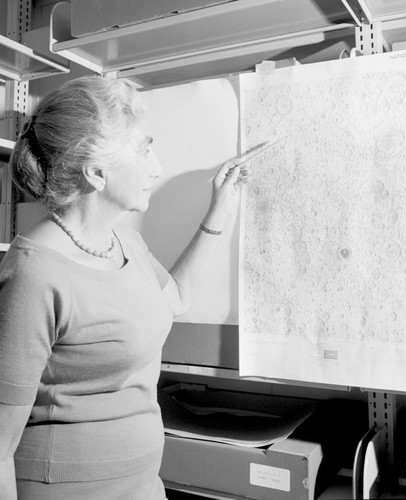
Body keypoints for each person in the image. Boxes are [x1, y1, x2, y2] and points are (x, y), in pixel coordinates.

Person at [0, 75, 248, 500]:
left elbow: (177, 298)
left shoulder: (123, 242)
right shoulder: (33, 275)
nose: (157, 166)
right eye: (143, 148)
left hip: (143, 486)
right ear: (97, 172)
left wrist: (219, 209)